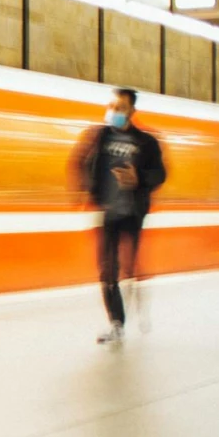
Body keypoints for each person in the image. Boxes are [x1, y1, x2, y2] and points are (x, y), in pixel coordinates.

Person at [73, 88, 166, 345]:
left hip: (133, 213)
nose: (114, 111)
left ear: (132, 111)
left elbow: (159, 173)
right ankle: (116, 322)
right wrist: (85, 187)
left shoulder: (146, 142)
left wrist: (139, 179)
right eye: (113, 106)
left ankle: (136, 291)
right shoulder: (101, 136)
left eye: (121, 107)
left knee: (130, 267)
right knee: (107, 270)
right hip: (109, 212)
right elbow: (82, 160)